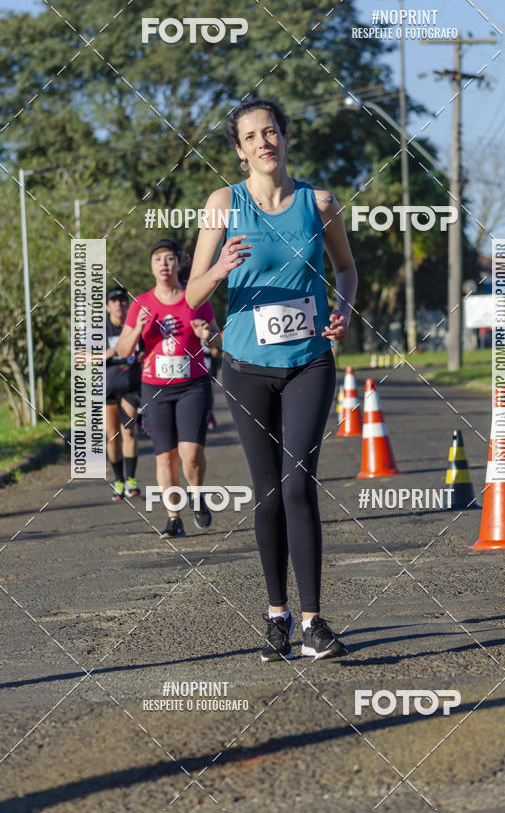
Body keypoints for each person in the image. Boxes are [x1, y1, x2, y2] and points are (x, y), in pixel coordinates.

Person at [186, 99, 358, 662]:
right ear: (239, 151)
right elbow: (190, 297)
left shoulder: (319, 202)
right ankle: (276, 616)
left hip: (309, 359)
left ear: (286, 139)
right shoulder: (223, 204)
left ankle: (313, 622)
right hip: (245, 366)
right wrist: (218, 269)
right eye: (251, 136)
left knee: (297, 484)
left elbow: (346, 269)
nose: (263, 142)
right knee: (266, 495)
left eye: (271, 132)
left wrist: (345, 311)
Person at [117, 238, 221, 538]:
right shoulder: (141, 304)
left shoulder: (196, 298)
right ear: (152, 267)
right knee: (165, 457)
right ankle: (174, 518)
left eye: (169, 259)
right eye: (157, 259)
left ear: (178, 263)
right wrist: (137, 329)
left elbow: (217, 343)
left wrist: (207, 335)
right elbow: (124, 350)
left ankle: (198, 494)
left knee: (189, 454)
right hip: (155, 388)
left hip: (192, 385)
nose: (163, 264)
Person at [104, 286, 143, 501]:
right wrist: (107, 354)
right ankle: (118, 480)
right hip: (107, 390)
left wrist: (142, 356)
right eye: (115, 301)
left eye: (122, 301)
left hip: (129, 388)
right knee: (113, 437)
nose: (119, 304)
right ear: (107, 306)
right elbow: (82, 357)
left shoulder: (134, 327)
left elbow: (145, 349)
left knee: (129, 432)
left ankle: (131, 480)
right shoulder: (100, 330)